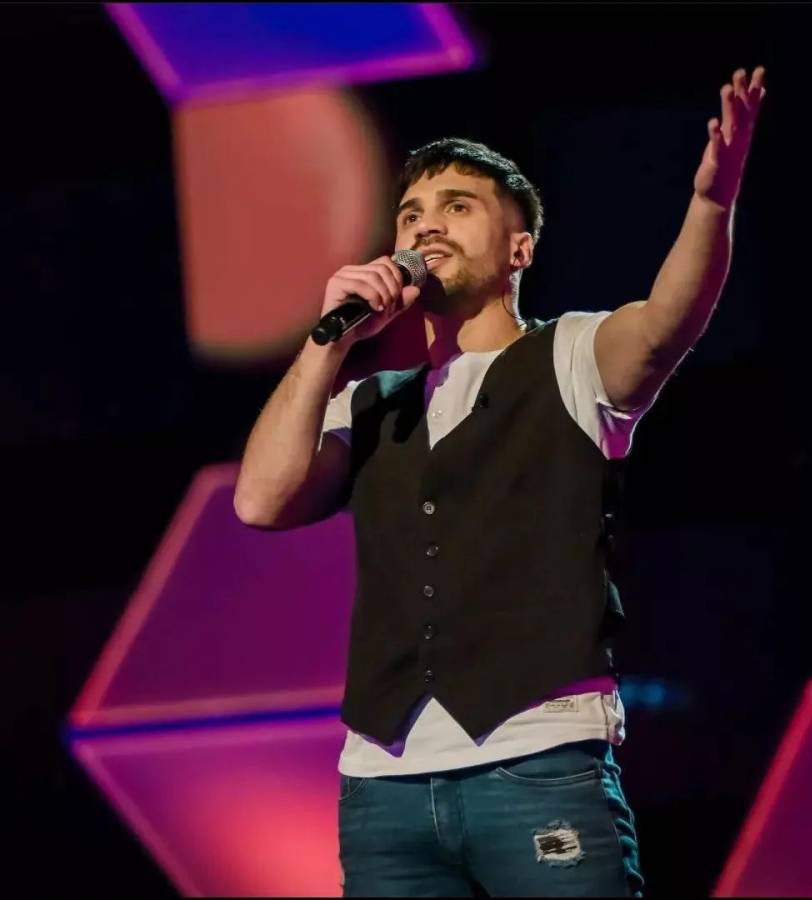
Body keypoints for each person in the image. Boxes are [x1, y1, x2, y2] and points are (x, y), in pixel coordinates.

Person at [234, 66, 767, 897]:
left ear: (520, 248)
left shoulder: (571, 357)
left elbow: (669, 322)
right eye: (412, 212)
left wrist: (712, 203)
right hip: (383, 789)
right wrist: (325, 343)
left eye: (458, 207)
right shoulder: (368, 402)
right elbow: (260, 500)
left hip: (538, 762)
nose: (427, 225)